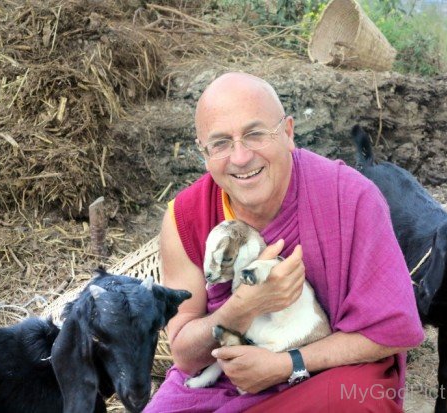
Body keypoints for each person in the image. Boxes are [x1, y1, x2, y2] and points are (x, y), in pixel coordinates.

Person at [144, 72, 424, 413]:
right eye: (220, 143)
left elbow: (393, 331)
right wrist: (243, 307)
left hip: (323, 370)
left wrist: (286, 364)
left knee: (356, 401)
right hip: (222, 379)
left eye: (255, 134)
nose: (241, 157)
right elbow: (186, 356)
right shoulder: (184, 217)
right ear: (204, 154)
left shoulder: (350, 197)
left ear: (288, 133)